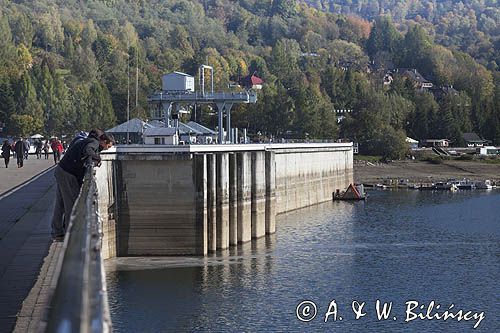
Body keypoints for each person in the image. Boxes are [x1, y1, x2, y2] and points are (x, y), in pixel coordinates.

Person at [51, 130, 115, 241]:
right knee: (72, 204)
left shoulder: (89, 141)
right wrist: (97, 158)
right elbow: (88, 150)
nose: (108, 148)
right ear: (104, 141)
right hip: (68, 174)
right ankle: (71, 235)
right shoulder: (94, 142)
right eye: (109, 145)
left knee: (60, 203)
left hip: (62, 170)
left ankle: (57, 232)